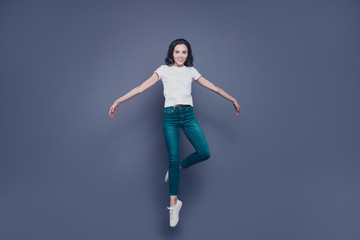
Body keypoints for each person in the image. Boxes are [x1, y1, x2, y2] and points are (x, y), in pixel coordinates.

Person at [109, 38, 241, 227]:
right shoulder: (163, 70)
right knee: (172, 158)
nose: (180, 55)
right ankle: (173, 204)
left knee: (204, 152)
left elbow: (215, 88)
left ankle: (180, 167)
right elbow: (140, 88)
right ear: (172, 53)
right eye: (177, 51)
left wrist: (232, 99)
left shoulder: (191, 71)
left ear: (188, 55)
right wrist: (118, 101)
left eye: (184, 52)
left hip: (188, 116)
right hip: (170, 117)